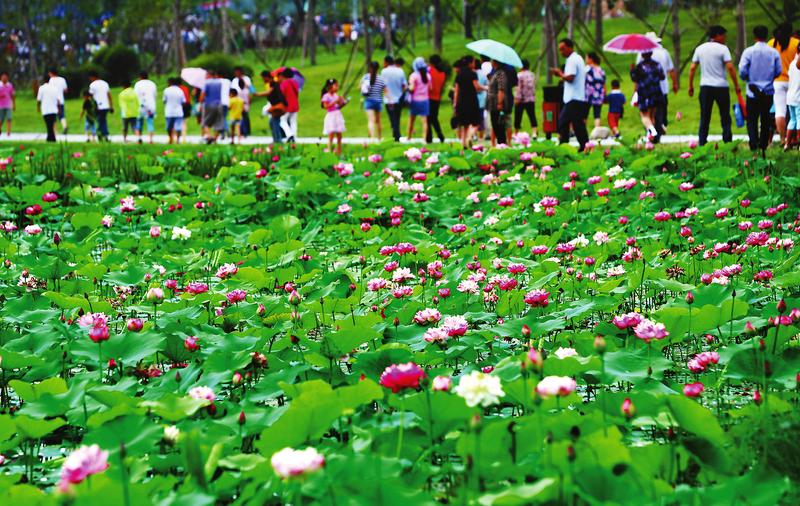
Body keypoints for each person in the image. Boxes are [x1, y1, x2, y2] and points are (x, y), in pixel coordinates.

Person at [688, 25, 742, 146]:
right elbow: (730, 67)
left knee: (705, 116)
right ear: (717, 35)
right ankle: (728, 141)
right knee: (725, 116)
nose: (725, 38)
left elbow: (692, 68)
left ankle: (702, 142)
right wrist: (736, 85)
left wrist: (690, 86)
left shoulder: (700, 49)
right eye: (723, 35)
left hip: (705, 87)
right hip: (721, 87)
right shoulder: (723, 49)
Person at [739, 25, 782, 153]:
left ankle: (753, 143)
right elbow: (778, 70)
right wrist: (769, 79)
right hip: (768, 91)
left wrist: (748, 79)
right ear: (766, 35)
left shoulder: (748, 52)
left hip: (752, 91)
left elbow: (742, 70)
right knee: (765, 118)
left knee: (752, 119)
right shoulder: (773, 52)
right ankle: (763, 144)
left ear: (754, 36)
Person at [550, 38, 589, 151]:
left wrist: (559, 74)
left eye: (563, 49)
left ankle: (565, 145)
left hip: (573, 98)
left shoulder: (572, 60)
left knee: (563, 122)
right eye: (560, 50)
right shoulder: (578, 58)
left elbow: (570, 77)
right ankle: (584, 146)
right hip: (577, 97)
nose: (561, 52)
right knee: (577, 124)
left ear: (570, 47)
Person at [639, 32, 679, 141]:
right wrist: (675, 83)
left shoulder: (641, 53)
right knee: (659, 112)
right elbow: (670, 70)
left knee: (647, 113)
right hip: (662, 88)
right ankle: (659, 131)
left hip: (646, 89)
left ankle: (651, 134)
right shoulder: (664, 52)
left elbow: (638, 74)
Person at [769, 23, 800, 144]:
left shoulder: (771, 43)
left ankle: (783, 139)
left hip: (777, 81)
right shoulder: (795, 43)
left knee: (780, 111)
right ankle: (795, 139)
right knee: (796, 111)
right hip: (793, 81)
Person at [630, 51, 665, 140]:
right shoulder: (657, 65)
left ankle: (653, 132)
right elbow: (662, 76)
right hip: (656, 92)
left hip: (644, 93)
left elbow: (634, 79)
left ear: (642, 55)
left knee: (644, 115)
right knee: (652, 115)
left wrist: (632, 70)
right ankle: (651, 138)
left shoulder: (639, 67)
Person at [453, 55, 483, 147]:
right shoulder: (473, 73)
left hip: (461, 101)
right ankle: (469, 137)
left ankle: (463, 144)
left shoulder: (459, 74)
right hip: (472, 100)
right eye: (473, 62)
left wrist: (455, 103)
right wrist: (485, 88)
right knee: (476, 122)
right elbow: (477, 87)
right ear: (470, 63)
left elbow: (456, 91)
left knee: (464, 124)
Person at [381, 56, 407, 141]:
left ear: (386, 62)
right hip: (399, 98)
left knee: (392, 118)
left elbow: (383, 86)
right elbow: (404, 85)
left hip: (389, 99)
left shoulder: (384, 71)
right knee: (397, 117)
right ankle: (396, 133)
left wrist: (388, 96)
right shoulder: (400, 71)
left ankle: (396, 134)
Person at [255, 70, 286, 143]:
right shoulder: (274, 83)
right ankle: (277, 139)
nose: (263, 80)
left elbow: (268, 92)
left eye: (263, 78)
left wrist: (257, 94)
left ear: (266, 77)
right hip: (276, 106)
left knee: (274, 123)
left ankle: (278, 140)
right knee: (273, 122)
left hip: (277, 106)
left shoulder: (273, 83)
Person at [487, 59, 511, 146]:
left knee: (499, 125)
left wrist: (499, 103)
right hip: (493, 104)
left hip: (496, 104)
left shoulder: (500, 74)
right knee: (495, 125)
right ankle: (500, 143)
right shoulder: (496, 73)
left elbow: (501, 89)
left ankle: (502, 144)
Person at [321, 78, 347, 155]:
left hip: (337, 115)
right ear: (330, 87)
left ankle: (339, 150)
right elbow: (326, 106)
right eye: (335, 85)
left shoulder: (336, 95)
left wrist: (343, 102)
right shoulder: (326, 96)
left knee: (339, 135)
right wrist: (335, 101)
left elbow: (338, 106)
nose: (337, 87)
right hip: (331, 116)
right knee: (331, 135)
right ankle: (329, 149)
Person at [361, 61, 386, 140]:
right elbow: (384, 90)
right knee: (378, 121)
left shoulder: (366, 77)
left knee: (371, 121)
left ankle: (372, 139)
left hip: (369, 101)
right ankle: (379, 138)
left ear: (370, 68)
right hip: (378, 101)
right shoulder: (381, 78)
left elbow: (360, 87)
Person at [407, 57, 431, 141]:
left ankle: (409, 137)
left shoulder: (414, 76)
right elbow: (430, 88)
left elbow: (412, 88)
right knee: (424, 121)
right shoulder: (427, 76)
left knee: (411, 120)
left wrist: (408, 88)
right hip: (425, 100)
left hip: (415, 101)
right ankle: (424, 139)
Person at [513, 58, 537, 137]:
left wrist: (517, 98)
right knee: (532, 115)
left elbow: (519, 88)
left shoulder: (519, 75)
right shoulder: (532, 74)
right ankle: (534, 132)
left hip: (521, 99)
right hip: (531, 99)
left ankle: (516, 133)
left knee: (518, 117)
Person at [427, 54, 448, 143]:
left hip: (429, 97)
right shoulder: (442, 74)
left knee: (428, 118)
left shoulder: (429, 71)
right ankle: (440, 135)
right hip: (437, 97)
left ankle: (429, 137)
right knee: (434, 118)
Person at [200, 69, 225, 143]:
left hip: (209, 104)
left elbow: (203, 94)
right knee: (218, 122)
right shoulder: (219, 82)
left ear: (209, 75)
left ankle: (209, 136)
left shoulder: (207, 83)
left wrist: (201, 103)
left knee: (205, 122)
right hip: (219, 104)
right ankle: (215, 139)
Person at [88, 71, 113, 142]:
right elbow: (109, 95)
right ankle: (104, 135)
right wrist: (111, 105)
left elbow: (90, 96)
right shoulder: (105, 83)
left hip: (97, 106)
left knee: (100, 121)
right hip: (106, 106)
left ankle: (101, 135)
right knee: (103, 120)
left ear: (93, 77)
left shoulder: (92, 85)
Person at [134, 71, 158, 144]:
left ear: (140, 77)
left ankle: (139, 138)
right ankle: (150, 140)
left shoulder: (137, 84)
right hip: (151, 106)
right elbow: (155, 95)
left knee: (139, 122)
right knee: (150, 122)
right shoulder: (152, 84)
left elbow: (135, 96)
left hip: (140, 106)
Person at [784, 45, 800, 150]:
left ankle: (787, 143)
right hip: (798, 97)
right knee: (799, 120)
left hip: (790, 97)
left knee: (792, 120)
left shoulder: (792, 64)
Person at [584, 52, 606, 129]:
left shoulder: (587, 69)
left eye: (586, 58)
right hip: (599, 94)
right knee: (597, 114)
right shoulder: (601, 70)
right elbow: (604, 84)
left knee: (584, 114)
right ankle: (597, 130)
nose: (585, 60)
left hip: (588, 94)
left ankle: (582, 131)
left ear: (591, 59)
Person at [36, 76, 61, 143]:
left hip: (45, 109)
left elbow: (38, 100)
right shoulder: (54, 88)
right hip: (54, 109)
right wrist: (59, 108)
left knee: (48, 125)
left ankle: (51, 139)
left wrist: (38, 108)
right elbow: (58, 100)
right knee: (51, 124)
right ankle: (51, 138)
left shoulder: (41, 88)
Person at [278, 68, 300, 142]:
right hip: (295, 104)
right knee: (293, 121)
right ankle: (294, 136)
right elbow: (297, 93)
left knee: (282, 121)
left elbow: (282, 94)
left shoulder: (284, 83)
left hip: (287, 105)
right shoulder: (295, 82)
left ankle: (290, 135)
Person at [163, 77, 187, 144]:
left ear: (170, 82)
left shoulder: (166, 90)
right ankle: (178, 140)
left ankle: (171, 139)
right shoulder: (180, 90)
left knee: (169, 127)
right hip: (178, 111)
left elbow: (164, 101)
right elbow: (184, 102)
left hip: (169, 111)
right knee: (178, 127)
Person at [232, 67, 253, 137]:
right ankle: (242, 131)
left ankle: (246, 131)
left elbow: (250, 88)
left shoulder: (246, 79)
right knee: (241, 117)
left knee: (244, 117)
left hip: (243, 102)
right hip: (238, 101)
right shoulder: (234, 80)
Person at [48, 68, 69, 134]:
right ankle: (65, 126)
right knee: (61, 115)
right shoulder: (62, 79)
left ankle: (55, 131)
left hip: (53, 101)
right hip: (61, 100)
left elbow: (49, 90)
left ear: (52, 73)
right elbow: (66, 90)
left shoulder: (51, 80)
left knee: (53, 116)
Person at [0, 72, 15, 136]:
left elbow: (12, 95)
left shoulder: (10, 85)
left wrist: (14, 104)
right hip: (1, 105)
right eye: (3, 77)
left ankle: (8, 132)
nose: (4, 78)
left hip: (8, 104)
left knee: (9, 118)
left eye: (5, 77)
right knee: (1, 119)